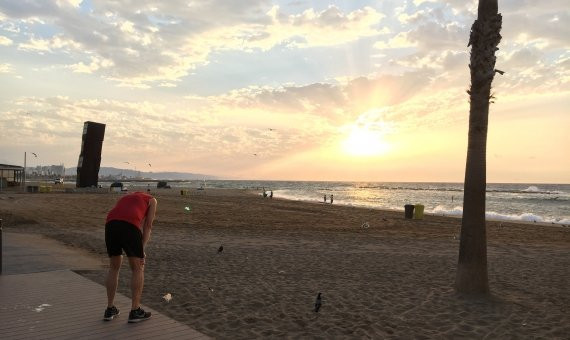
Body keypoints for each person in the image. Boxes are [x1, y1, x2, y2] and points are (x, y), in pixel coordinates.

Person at [103, 191, 157, 323]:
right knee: (137, 268)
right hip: (129, 226)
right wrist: (141, 249)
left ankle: (109, 309)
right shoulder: (152, 200)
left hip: (110, 224)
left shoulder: (125, 196)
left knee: (114, 267)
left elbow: (121, 213)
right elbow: (148, 225)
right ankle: (135, 310)